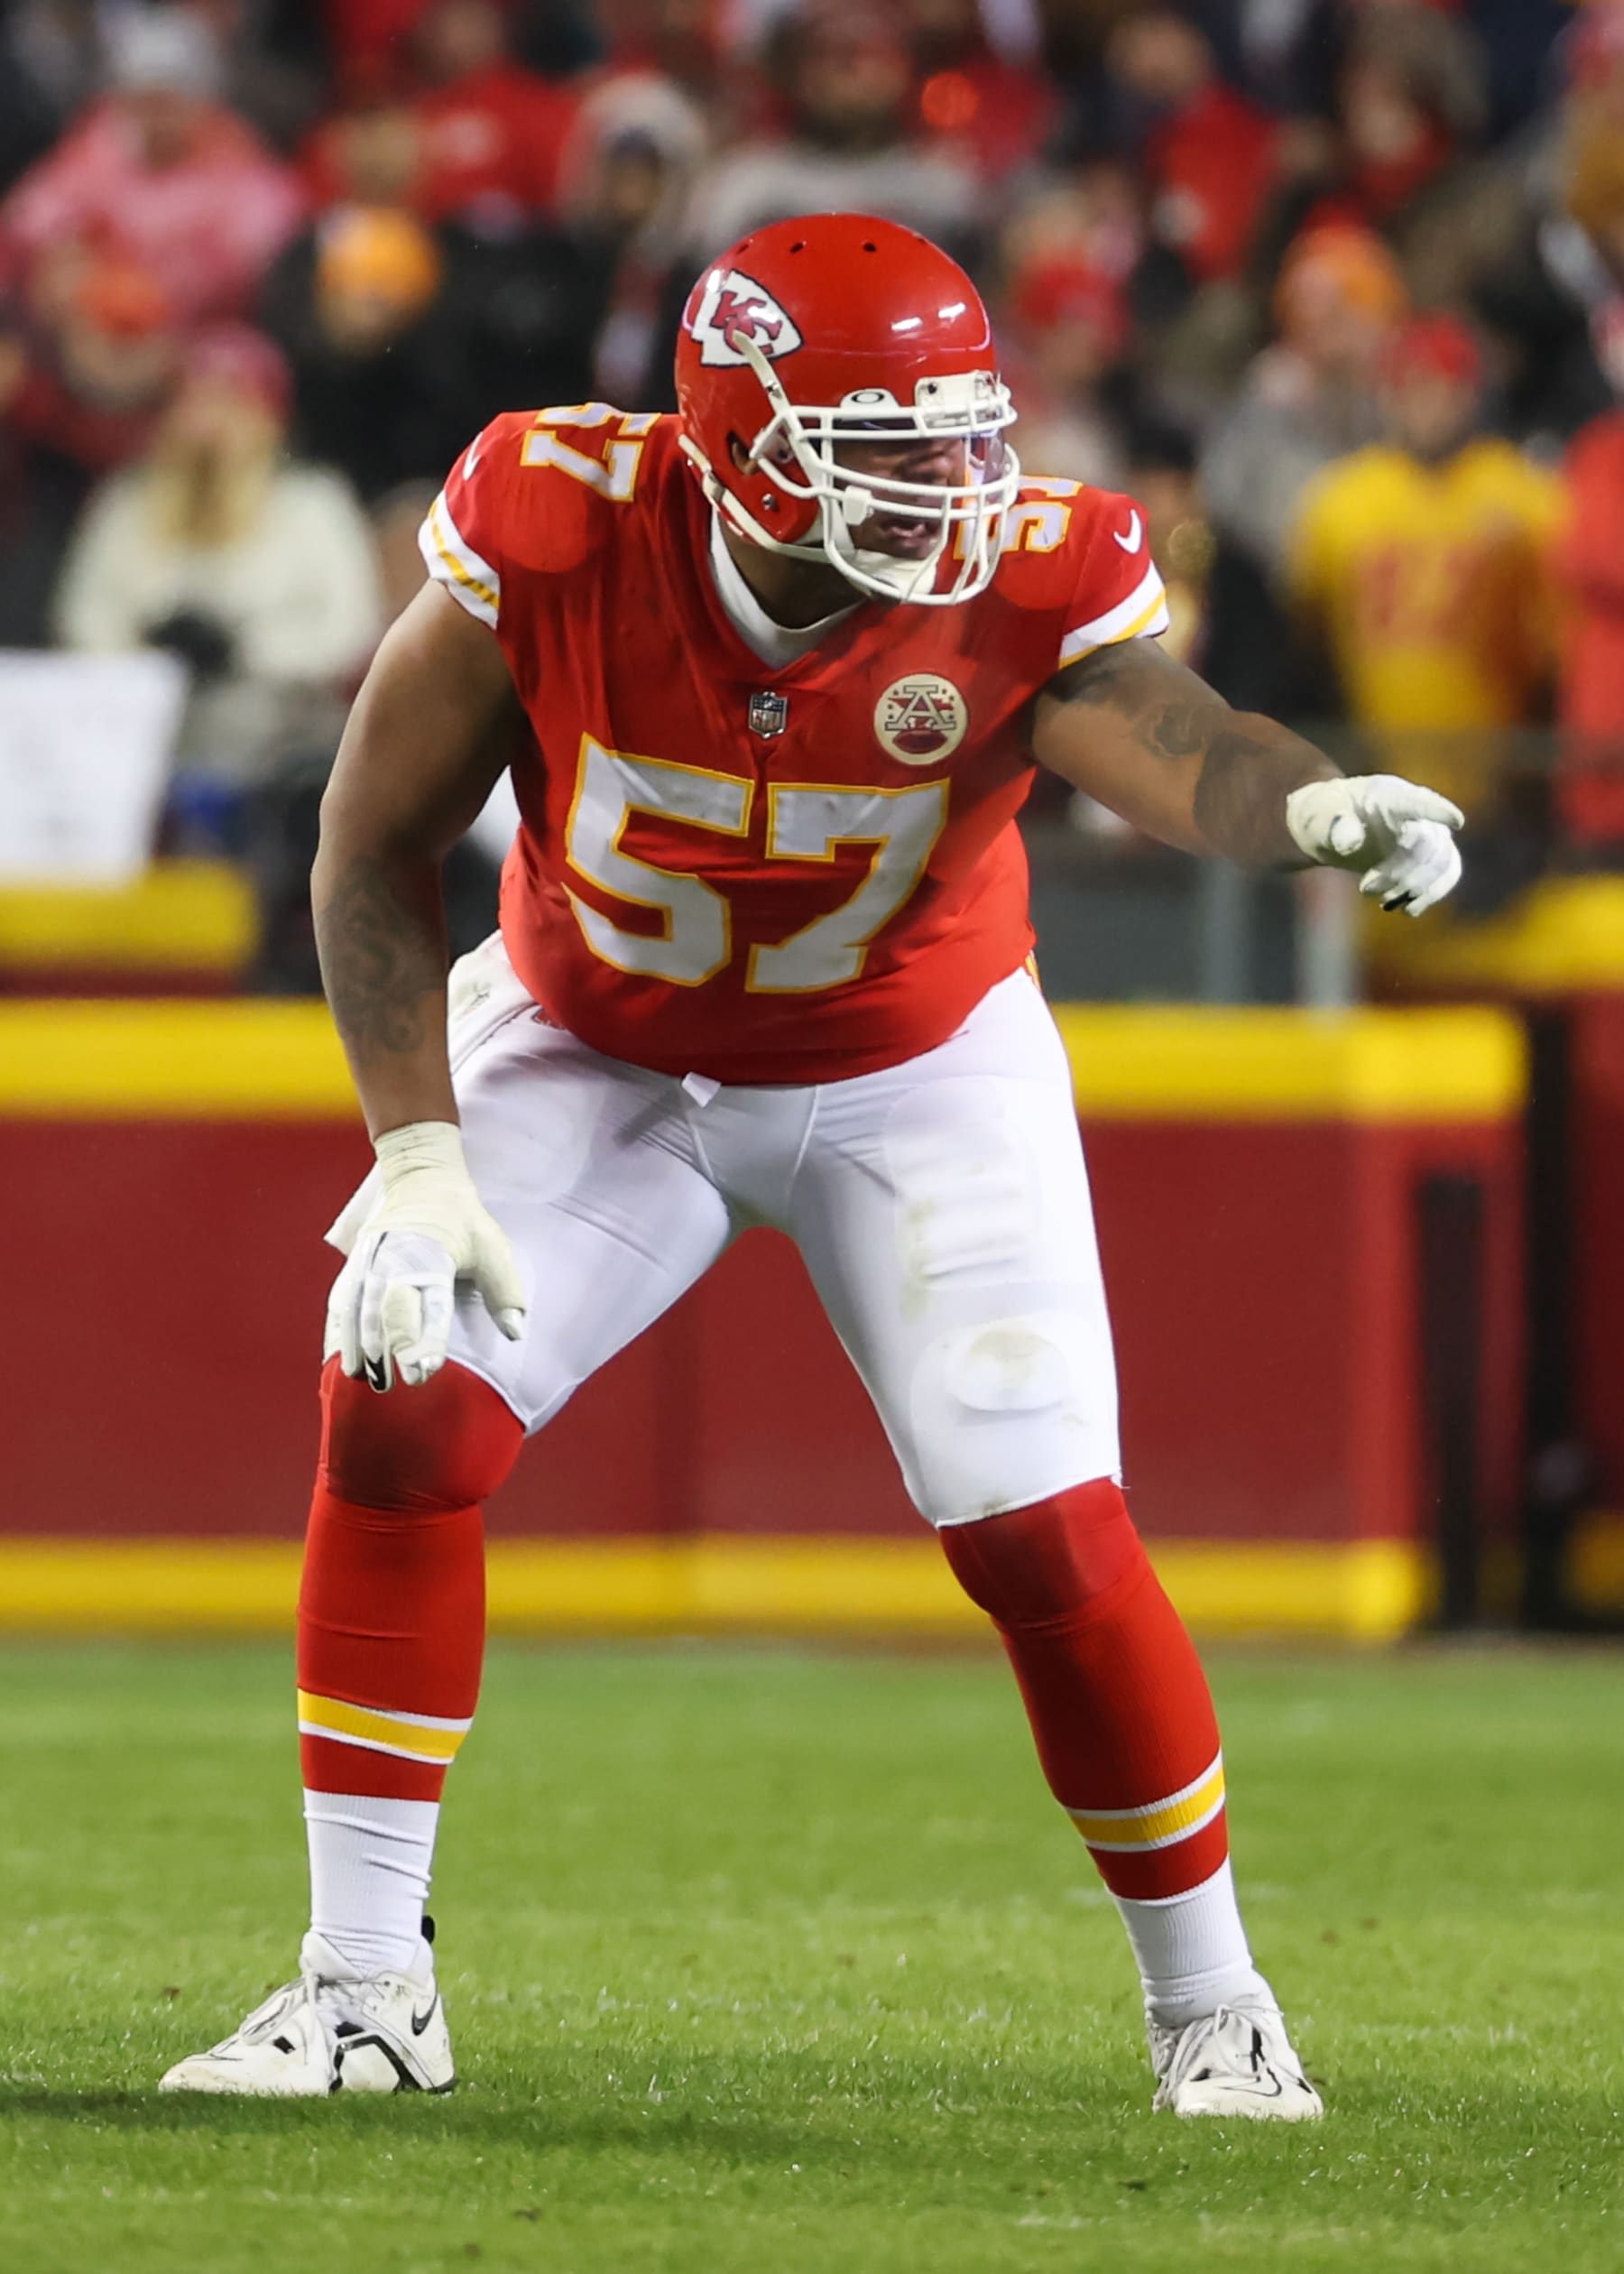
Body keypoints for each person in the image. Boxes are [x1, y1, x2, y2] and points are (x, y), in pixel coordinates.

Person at [159, 212, 1463, 2114]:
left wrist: (1307, 798)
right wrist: (421, 1151)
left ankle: (1217, 2005)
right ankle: (363, 1990)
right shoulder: (557, 515)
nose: (949, 489)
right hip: (594, 1040)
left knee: (1043, 1534)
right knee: (402, 1407)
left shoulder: (1028, 567)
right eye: (888, 447)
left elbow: (1176, 740)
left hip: (910, 1061)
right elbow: (371, 845)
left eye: (962, 437)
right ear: (736, 443)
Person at [54, 322, 382, 786]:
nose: (212, 422)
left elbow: (350, 626)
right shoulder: (128, 503)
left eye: (232, 403)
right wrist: (148, 655)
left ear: (269, 416)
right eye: (198, 400)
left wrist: (244, 651)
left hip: (279, 736)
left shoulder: (313, 504)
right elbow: (85, 614)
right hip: (143, 736)